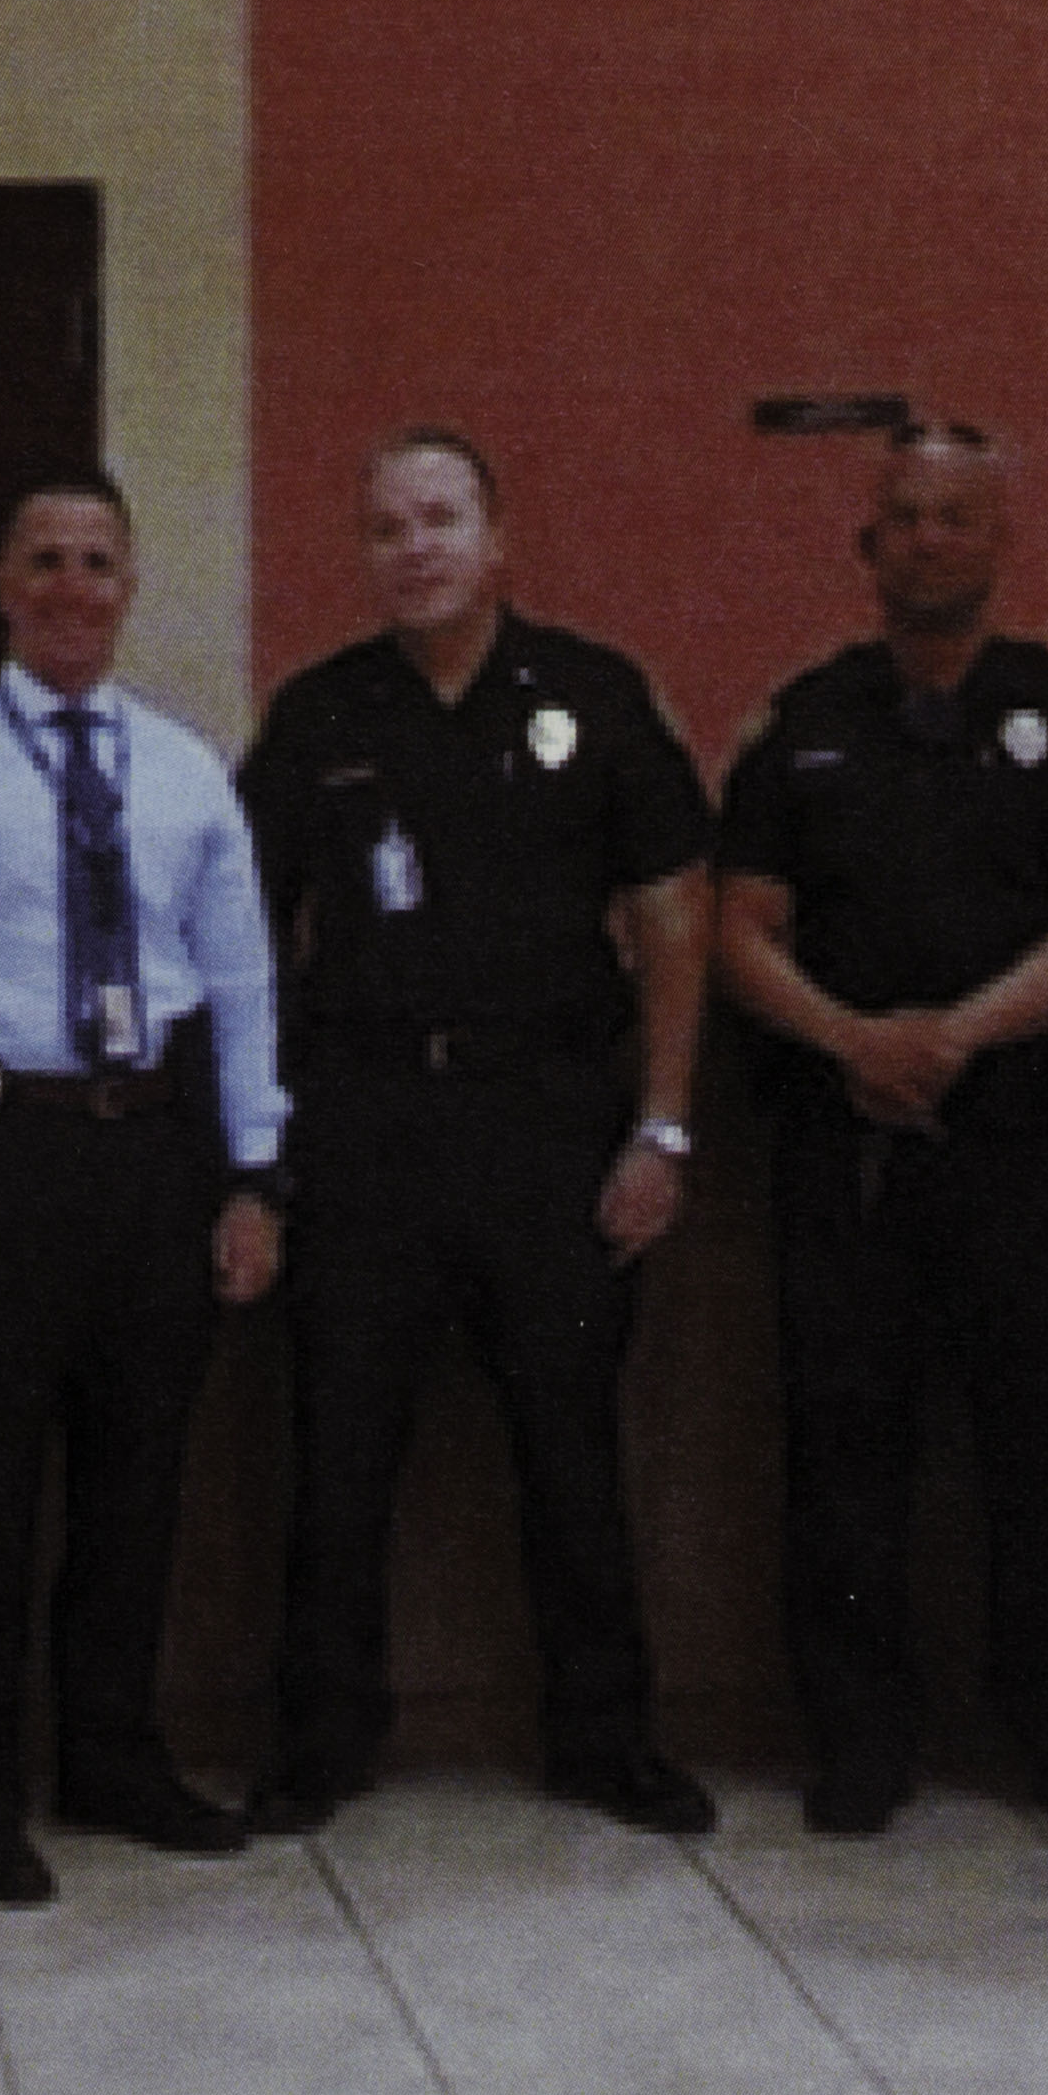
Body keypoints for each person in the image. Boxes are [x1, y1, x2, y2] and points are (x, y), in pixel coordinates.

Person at [238, 426, 715, 1838]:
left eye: (441, 519)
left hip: (550, 1123)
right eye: (388, 527)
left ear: (498, 540)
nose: (416, 547)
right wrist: (262, 1150)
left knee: (572, 1448)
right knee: (339, 1453)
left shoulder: (592, 694)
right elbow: (245, 933)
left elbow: (677, 913)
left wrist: (666, 1129)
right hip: (367, 1124)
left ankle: (605, 1740)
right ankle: (320, 1741)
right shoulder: (322, 717)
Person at [0, 467, 287, 1906]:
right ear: (2, 587)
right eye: (45, 560)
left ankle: (113, 1757)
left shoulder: (187, 769)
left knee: (136, 1479)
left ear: (130, 586)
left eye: (98, 560)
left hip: (154, 1148)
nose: (73, 586)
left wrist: (252, 1171)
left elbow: (243, 979)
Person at [711, 425, 1048, 1844]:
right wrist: (857, 1044)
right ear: (868, 548)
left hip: (1023, 1151)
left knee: (1040, 1453)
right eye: (901, 519)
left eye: (956, 517)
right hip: (846, 1155)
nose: (927, 541)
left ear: (998, 542)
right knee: (844, 1458)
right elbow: (739, 929)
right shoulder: (807, 723)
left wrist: (948, 1039)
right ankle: (858, 1741)